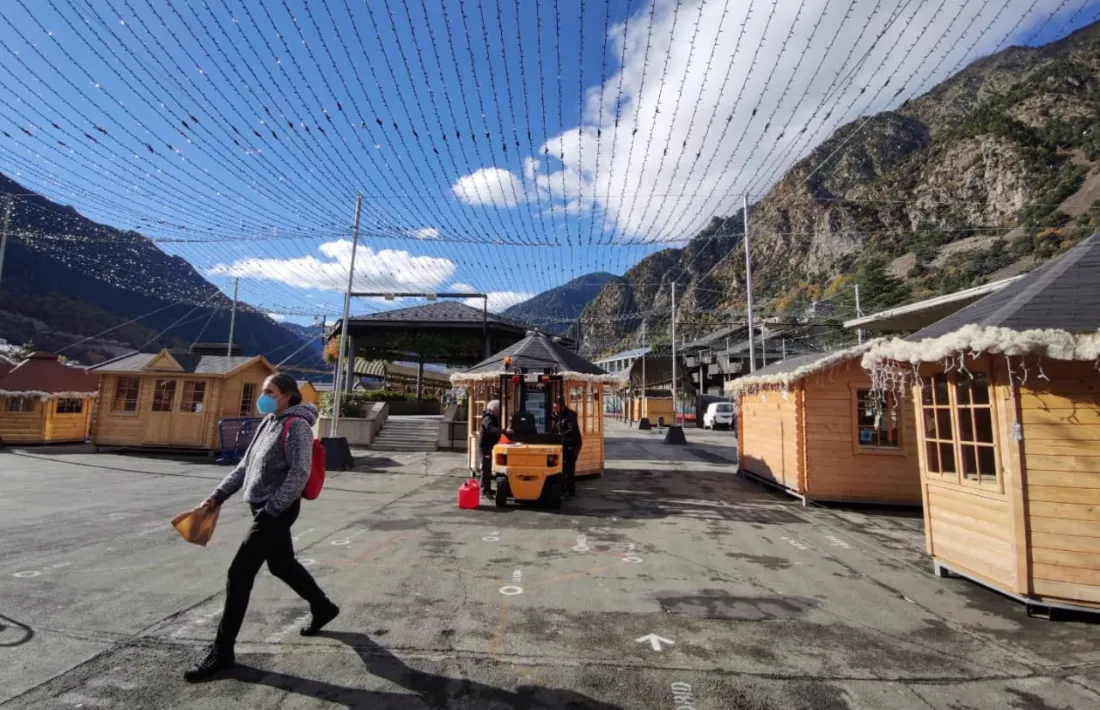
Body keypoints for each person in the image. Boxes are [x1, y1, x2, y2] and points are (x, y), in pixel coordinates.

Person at [184, 373, 339, 682]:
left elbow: (299, 472)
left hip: (276, 510)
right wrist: (216, 497)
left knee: (239, 573)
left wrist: (271, 510)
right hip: (262, 507)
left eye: (269, 391)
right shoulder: (268, 422)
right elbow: (245, 466)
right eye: (263, 390)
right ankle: (323, 607)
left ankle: (222, 653)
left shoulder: (296, 427)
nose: (263, 396)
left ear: (287, 396)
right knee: (281, 564)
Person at [552, 397, 582, 498]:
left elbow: (570, 429)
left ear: (562, 406)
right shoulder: (555, 415)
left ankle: (570, 492)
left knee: (569, 468)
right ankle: (564, 490)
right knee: (562, 468)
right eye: (554, 407)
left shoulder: (570, 415)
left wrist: (560, 435)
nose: (555, 410)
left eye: (556, 407)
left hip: (573, 444)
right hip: (563, 444)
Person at [478, 399, 503, 496]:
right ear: (493, 409)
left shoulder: (491, 417)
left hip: (488, 446)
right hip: (485, 446)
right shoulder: (488, 418)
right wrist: (502, 431)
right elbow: (490, 429)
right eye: (498, 409)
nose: (499, 411)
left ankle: (487, 488)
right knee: (485, 468)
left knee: (487, 468)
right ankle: (484, 490)